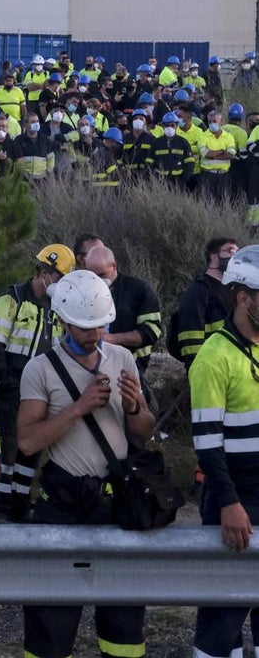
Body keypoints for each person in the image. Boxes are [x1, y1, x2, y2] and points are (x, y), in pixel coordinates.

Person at [17, 269, 155, 658]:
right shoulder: (40, 369)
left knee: (124, 625)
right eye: (84, 327)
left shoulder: (123, 358)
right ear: (62, 320)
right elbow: (27, 440)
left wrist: (134, 407)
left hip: (116, 506)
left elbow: (144, 430)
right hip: (64, 508)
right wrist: (78, 408)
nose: (94, 334)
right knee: (50, 622)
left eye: (100, 325)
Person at [190, 244, 259, 657]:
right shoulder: (214, 357)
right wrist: (229, 504)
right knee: (223, 616)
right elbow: (207, 442)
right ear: (244, 298)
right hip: (234, 499)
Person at [0, 244, 74, 523]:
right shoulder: (13, 300)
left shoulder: (56, 311)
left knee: (29, 451)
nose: (60, 286)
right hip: (9, 388)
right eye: (59, 279)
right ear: (44, 273)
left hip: (38, 392)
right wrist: (4, 381)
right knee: (6, 448)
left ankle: (20, 504)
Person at [83, 245, 161, 376]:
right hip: (90, 368)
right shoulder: (82, 292)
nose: (98, 280)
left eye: (102, 275)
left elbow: (152, 331)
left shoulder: (139, 290)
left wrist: (114, 339)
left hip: (130, 369)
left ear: (114, 266)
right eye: (93, 276)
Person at [174, 238, 239, 370]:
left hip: (235, 363)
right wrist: (198, 368)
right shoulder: (198, 290)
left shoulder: (234, 289)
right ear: (214, 257)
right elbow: (190, 337)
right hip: (213, 366)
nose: (234, 257)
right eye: (230, 251)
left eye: (237, 252)